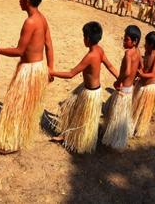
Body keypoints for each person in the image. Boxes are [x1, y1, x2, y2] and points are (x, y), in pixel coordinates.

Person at [0, 0, 54, 153]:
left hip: (29, 70)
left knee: (15, 107)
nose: (19, 1)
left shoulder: (30, 22)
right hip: (39, 68)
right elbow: (49, 44)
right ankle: (16, 139)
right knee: (24, 107)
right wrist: (50, 67)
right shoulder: (42, 18)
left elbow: (19, 51)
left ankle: (9, 143)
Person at [49, 22, 118, 154]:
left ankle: (76, 139)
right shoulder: (99, 50)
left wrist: (52, 72)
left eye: (83, 36)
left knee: (81, 117)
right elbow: (110, 66)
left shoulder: (90, 56)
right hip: (90, 90)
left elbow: (70, 74)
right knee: (71, 109)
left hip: (90, 94)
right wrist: (119, 77)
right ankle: (68, 135)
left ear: (87, 39)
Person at [102, 25, 141, 150]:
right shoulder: (138, 52)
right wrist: (135, 79)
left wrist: (118, 80)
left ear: (134, 41)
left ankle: (113, 137)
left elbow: (128, 71)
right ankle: (117, 138)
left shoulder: (128, 53)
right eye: (124, 38)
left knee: (112, 113)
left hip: (123, 90)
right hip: (129, 91)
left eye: (126, 39)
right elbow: (141, 67)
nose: (124, 41)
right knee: (120, 116)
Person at [131, 31, 155, 137]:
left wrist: (141, 74)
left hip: (148, 87)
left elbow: (153, 73)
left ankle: (139, 128)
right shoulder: (147, 53)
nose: (144, 45)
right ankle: (132, 126)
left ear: (151, 44)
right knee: (135, 107)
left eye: (146, 43)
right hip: (141, 84)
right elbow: (144, 67)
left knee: (143, 111)